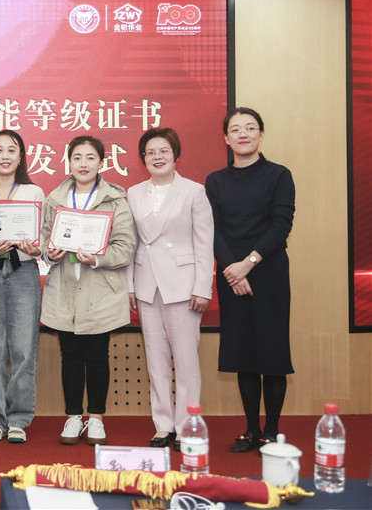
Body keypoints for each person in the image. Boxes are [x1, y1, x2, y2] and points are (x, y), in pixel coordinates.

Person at [205, 107, 295, 453]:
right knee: (243, 352)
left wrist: (249, 263)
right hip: (232, 275)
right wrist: (233, 269)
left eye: (250, 128)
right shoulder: (215, 181)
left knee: (271, 351)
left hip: (268, 272)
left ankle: (271, 431)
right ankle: (251, 429)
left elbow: (281, 224)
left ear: (261, 134)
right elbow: (213, 230)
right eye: (236, 129)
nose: (243, 134)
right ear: (226, 138)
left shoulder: (279, 175)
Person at [40, 135, 135, 446]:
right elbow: (43, 240)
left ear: (101, 163)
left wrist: (97, 258)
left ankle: (95, 418)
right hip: (64, 287)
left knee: (97, 355)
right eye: (77, 157)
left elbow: (125, 247)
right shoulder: (55, 199)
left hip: (101, 288)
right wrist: (49, 253)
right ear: (69, 162)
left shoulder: (115, 200)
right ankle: (72, 417)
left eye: (90, 157)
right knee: (69, 355)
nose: (83, 164)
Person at [126, 127, 214, 451]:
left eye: (164, 150)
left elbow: (204, 243)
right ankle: (163, 425)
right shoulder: (134, 193)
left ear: (176, 154)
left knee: (186, 361)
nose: (157, 156)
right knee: (156, 360)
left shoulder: (194, 191)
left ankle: (187, 426)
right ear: (143, 159)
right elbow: (131, 243)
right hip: (146, 285)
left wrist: (203, 287)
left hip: (183, 286)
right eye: (150, 152)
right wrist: (129, 285)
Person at [0, 130, 44, 444]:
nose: (5, 156)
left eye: (11, 150)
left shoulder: (34, 192)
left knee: (23, 349)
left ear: (21, 157)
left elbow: (44, 238)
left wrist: (36, 249)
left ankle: (18, 419)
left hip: (24, 271)